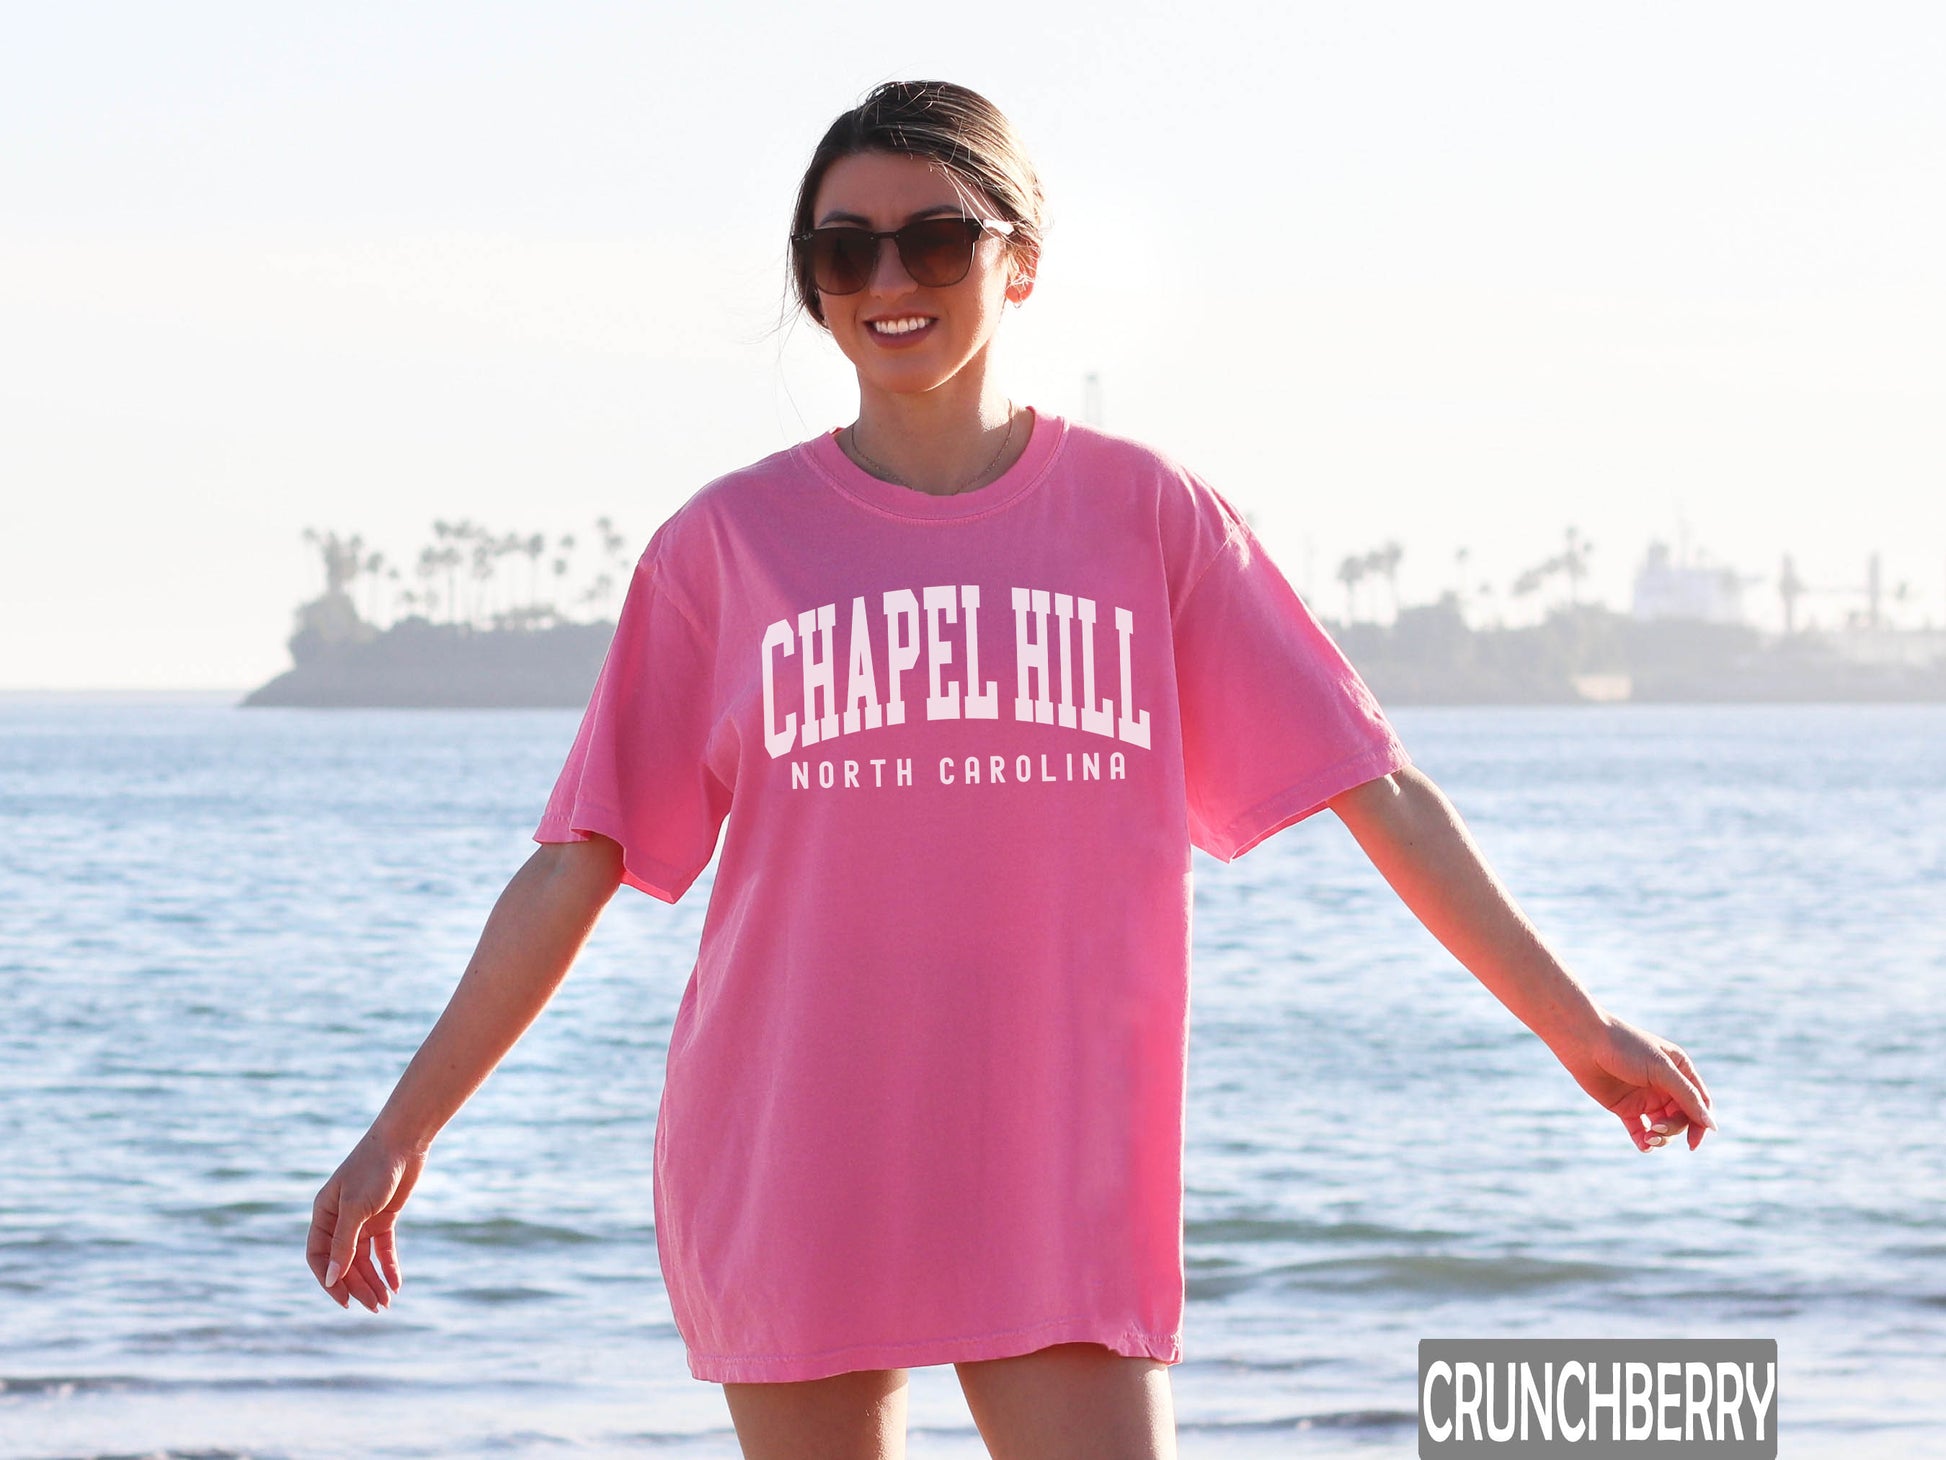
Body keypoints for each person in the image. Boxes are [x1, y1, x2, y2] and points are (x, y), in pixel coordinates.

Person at [307, 79, 1717, 1460]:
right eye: (839, 249)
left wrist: (1571, 1023)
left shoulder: (1145, 518)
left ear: (1020, 260)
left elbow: (1374, 784)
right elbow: (583, 855)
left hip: (1055, 1163)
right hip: (795, 1140)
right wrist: (401, 1131)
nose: (885, 279)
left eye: (932, 238)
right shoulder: (723, 549)